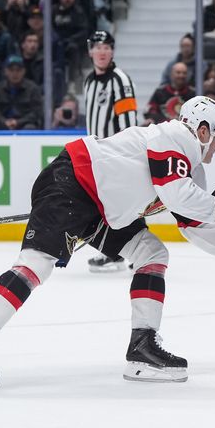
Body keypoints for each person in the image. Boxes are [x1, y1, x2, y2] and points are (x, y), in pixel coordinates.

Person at [0, 96, 215, 394]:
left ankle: (142, 348)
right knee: (37, 262)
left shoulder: (191, 169)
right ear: (203, 129)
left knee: (152, 253)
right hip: (73, 182)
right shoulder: (174, 136)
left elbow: (195, 224)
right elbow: (175, 193)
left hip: (101, 209)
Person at [83, 30, 139, 272]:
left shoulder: (120, 80)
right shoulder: (89, 81)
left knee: (129, 205)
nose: (102, 51)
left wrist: (125, 157)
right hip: (97, 155)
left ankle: (140, 255)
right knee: (105, 207)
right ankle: (112, 253)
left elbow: (129, 123)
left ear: (112, 51)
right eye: (98, 47)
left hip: (119, 155)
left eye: (107, 47)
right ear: (90, 51)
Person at [0, 54, 42, 129]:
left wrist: (18, 122)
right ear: (5, 71)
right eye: (11, 70)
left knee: (30, 128)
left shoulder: (33, 88)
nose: (15, 74)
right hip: (2, 124)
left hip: (24, 124)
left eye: (18, 70)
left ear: (24, 71)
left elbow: (36, 112)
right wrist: (4, 121)